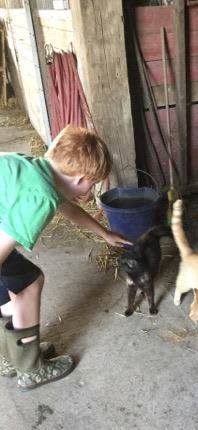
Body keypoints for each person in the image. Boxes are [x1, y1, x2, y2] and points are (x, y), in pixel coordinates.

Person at [0, 125, 130, 391]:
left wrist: (103, 233)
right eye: (93, 184)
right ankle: (30, 368)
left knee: (10, 280)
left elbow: (65, 205)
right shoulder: (40, 197)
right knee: (28, 282)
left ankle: (13, 355)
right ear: (82, 179)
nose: (91, 189)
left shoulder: (39, 169)